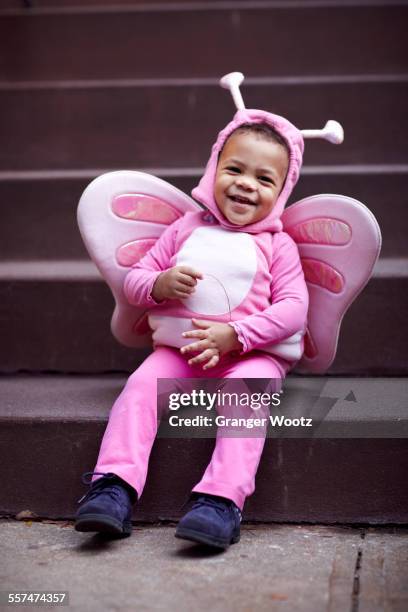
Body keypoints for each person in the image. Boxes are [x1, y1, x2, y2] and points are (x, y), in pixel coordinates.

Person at [75, 108, 309, 550]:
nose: (245, 184)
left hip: (250, 357)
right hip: (177, 355)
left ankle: (222, 500)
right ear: (213, 169)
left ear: (281, 192)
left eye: (264, 179)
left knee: (246, 393)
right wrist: (160, 286)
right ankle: (114, 486)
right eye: (234, 169)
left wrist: (238, 336)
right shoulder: (184, 229)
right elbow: (135, 280)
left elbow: (294, 309)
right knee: (140, 386)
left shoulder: (279, 245)